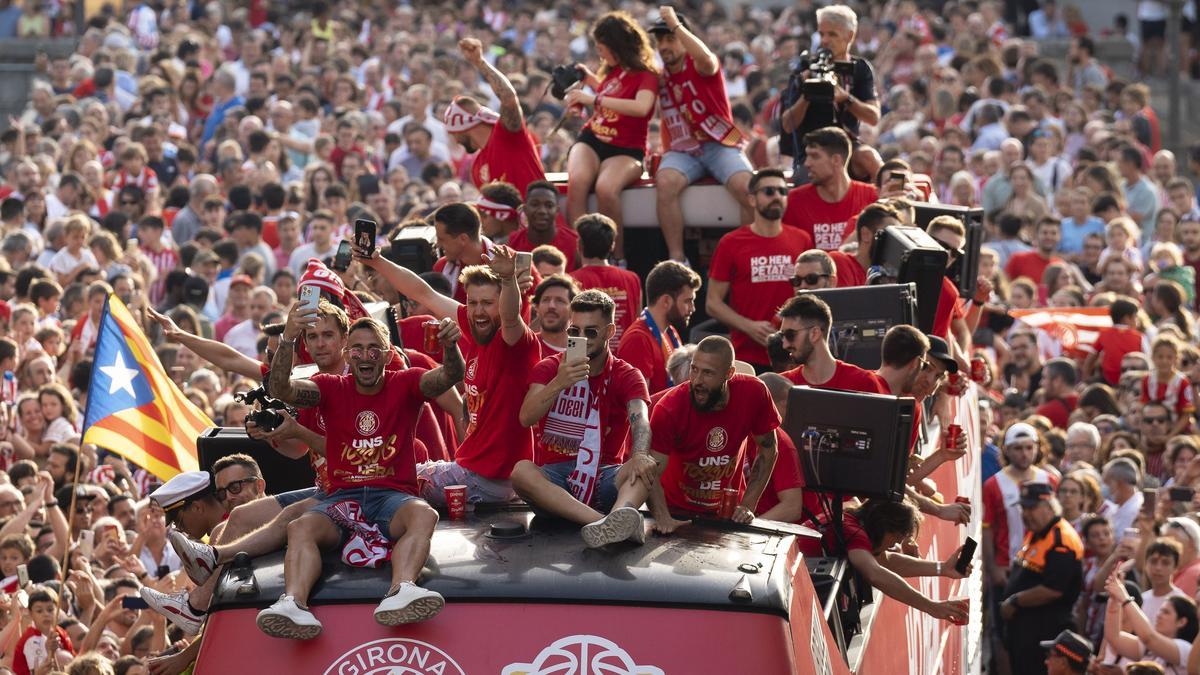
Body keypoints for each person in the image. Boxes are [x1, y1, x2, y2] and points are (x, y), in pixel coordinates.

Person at [257, 311, 464, 639]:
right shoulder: (329, 386)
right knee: (299, 526)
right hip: (342, 499)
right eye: (357, 349)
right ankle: (293, 603)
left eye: (373, 349)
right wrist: (288, 338)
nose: (365, 355)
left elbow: (450, 375)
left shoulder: (406, 381)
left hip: (392, 498)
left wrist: (451, 345)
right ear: (347, 353)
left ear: (386, 354)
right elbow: (281, 388)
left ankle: (402, 591)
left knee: (424, 513)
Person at [360, 242, 540, 505]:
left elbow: (511, 316)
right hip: (471, 471)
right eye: (473, 302)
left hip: (488, 480)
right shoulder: (475, 327)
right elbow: (424, 293)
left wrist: (509, 278)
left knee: (380, 480)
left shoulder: (513, 341)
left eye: (488, 303)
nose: (478, 310)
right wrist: (376, 261)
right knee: (374, 473)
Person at [512, 290, 654, 547]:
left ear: (610, 332)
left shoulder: (626, 374)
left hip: (605, 476)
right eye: (574, 331)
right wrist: (559, 382)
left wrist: (640, 454)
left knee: (644, 467)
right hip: (555, 485)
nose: (581, 339)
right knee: (521, 471)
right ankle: (606, 522)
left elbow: (640, 419)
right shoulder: (550, 368)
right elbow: (525, 417)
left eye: (590, 332)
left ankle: (619, 515)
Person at [649, 6, 754, 264]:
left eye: (670, 38)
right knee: (665, 182)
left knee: (749, 188)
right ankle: (677, 258)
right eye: (660, 40)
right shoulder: (659, 78)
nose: (664, 45)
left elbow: (706, 57)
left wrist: (675, 24)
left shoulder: (702, 65)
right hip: (683, 150)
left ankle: (747, 252)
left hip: (719, 145)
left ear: (683, 38)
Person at [645, 335, 779, 533]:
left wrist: (748, 505)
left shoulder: (754, 392)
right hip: (675, 511)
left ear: (729, 373)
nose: (697, 380)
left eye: (708, 373)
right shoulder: (670, 407)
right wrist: (663, 516)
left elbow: (769, 450)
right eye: (694, 369)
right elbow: (650, 471)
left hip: (727, 514)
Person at [706, 169, 813, 370]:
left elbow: (811, 295)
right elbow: (712, 303)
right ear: (752, 199)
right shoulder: (731, 243)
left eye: (783, 192)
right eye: (769, 191)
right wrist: (748, 326)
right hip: (747, 356)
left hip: (793, 356)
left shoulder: (802, 239)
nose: (777, 197)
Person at [778, 4, 881, 183]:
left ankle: (887, 205)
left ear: (850, 36)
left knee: (870, 158)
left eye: (832, 34)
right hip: (811, 149)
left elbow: (873, 117)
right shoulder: (804, 68)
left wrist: (845, 98)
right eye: (821, 34)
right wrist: (807, 92)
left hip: (847, 147)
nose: (824, 40)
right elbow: (788, 124)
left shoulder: (860, 69)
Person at [829, 498, 970, 622]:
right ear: (884, 527)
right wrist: (930, 606)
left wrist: (942, 568)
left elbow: (887, 561)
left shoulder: (855, 519)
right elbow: (875, 574)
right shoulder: (854, 534)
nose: (894, 545)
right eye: (897, 538)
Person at [1000, 482, 1085, 675]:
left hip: (1045, 632)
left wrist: (1014, 600)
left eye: (1032, 508)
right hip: (1025, 631)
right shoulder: (1036, 533)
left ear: (1049, 507)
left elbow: (1053, 589)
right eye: (1023, 508)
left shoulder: (1061, 539)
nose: (1026, 513)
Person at [446, 38, 545, 195]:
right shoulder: (476, 167)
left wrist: (479, 63)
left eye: (452, 133)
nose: (455, 140)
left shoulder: (507, 133)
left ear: (462, 127)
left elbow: (509, 98)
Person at [983, 424, 1058, 601]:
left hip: (1042, 567)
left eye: (1029, 447)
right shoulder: (993, 484)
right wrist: (992, 568)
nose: (1024, 453)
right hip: (1007, 568)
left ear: (1037, 448)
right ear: (1006, 450)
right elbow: (987, 528)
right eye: (1018, 448)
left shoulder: (1050, 480)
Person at [781, 127, 878, 251]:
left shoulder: (872, 197)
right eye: (807, 156)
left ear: (836, 160)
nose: (807, 163)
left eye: (814, 156)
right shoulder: (794, 201)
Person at [616, 260, 700, 393]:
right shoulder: (638, 339)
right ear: (666, 300)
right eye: (687, 301)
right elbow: (638, 403)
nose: (692, 308)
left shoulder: (670, 331)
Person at [776, 293, 881, 392]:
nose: (785, 345)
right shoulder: (783, 387)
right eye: (782, 335)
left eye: (790, 335)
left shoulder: (863, 383)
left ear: (815, 334)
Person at [1104, 569, 1197, 675]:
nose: (1158, 615)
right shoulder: (1148, 647)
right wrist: (1114, 600)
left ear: (1181, 622)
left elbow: (1149, 638)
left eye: (1165, 612)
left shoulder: (1185, 649)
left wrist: (1125, 598)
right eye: (1160, 610)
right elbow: (1114, 638)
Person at [571, 213, 642, 348]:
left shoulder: (570, 280)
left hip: (584, 360)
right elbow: (637, 323)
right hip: (624, 360)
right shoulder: (632, 279)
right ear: (612, 246)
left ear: (579, 245)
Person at [508, 181, 579, 272]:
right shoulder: (511, 243)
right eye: (535, 204)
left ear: (557, 211)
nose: (542, 211)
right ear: (525, 209)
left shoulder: (574, 243)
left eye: (549, 205)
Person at [828, 202, 901, 288]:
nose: (896, 242)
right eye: (890, 235)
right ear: (865, 234)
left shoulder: (890, 275)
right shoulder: (841, 261)